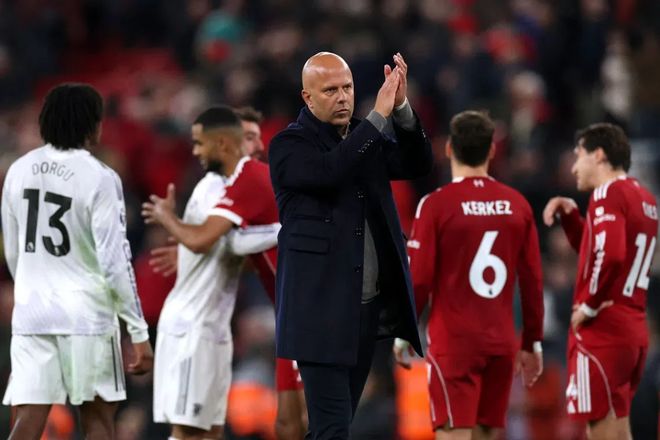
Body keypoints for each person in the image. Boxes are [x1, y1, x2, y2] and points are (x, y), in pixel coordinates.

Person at [268, 51, 432, 439]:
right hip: (320, 313)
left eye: (347, 88)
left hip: (364, 310)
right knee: (332, 429)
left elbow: (417, 164)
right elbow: (333, 170)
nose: (342, 97)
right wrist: (377, 117)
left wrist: (401, 107)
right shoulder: (289, 145)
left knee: (334, 428)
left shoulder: (363, 136)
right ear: (307, 97)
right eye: (330, 90)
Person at [1, 83, 153, 440]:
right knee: (98, 417)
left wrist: (31, 290)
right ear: (92, 125)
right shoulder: (100, 177)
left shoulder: (18, 170)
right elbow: (115, 262)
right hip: (87, 315)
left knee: (29, 417)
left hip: (33, 311)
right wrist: (138, 331)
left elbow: (12, 249)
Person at [146, 105, 306, 439]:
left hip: (215, 327)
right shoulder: (215, 187)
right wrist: (173, 226)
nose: (256, 147)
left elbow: (227, 245)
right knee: (188, 431)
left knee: (212, 431)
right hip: (191, 327)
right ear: (229, 142)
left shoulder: (241, 186)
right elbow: (212, 240)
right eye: (248, 137)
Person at [394, 110, 544, 440]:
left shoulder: (436, 205)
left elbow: (419, 278)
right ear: (492, 150)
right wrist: (532, 341)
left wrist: (404, 332)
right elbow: (532, 281)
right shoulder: (517, 205)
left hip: (455, 344)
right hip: (500, 343)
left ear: (449, 149)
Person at [543, 123, 658, 440]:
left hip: (605, 328)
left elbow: (612, 255)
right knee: (619, 429)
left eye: (579, 155)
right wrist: (572, 220)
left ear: (599, 156)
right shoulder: (644, 197)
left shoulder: (607, 193)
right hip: (633, 326)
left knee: (600, 431)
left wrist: (589, 306)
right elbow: (599, 250)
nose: (574, 166)